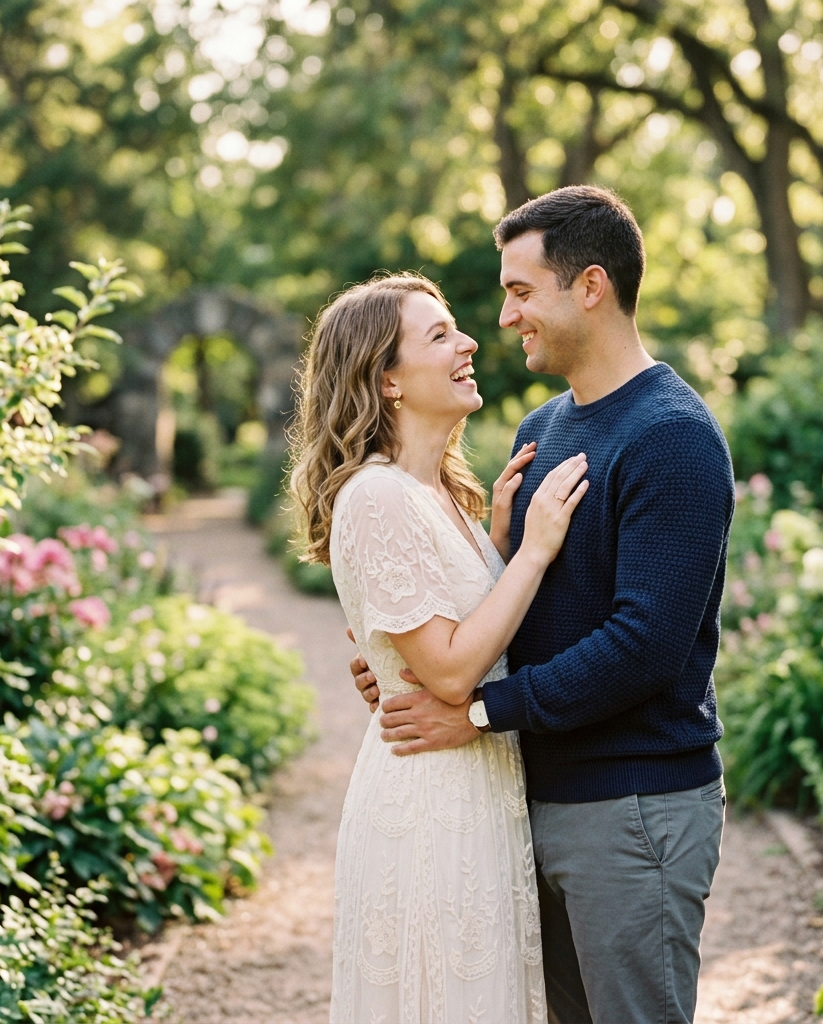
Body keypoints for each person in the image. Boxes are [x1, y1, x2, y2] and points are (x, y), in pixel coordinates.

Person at [350, 186, 735, 1024]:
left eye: (521, 291)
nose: (505, 316)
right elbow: (517, 606)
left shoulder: (673, 435)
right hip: (529, 802)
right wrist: (408, 663)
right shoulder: (543, 427)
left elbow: (643, 646)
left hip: (632, 812)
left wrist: (479, 711)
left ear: (589, 287)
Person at [290, 272, 591, 1023]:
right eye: (438, 335)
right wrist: (533, 551)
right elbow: (453, 670)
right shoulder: (377, 495)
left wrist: (491, 539)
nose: (466, 343)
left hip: (474, 790)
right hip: (429, 805)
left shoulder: (438, 496)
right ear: (387, 379)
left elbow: (442, 627)